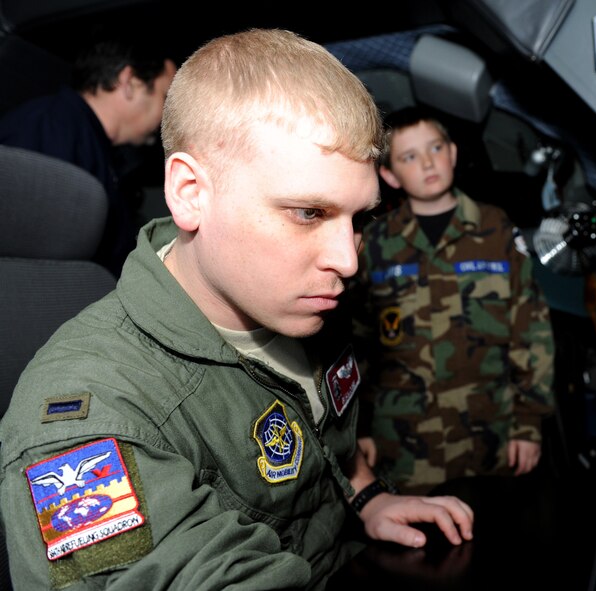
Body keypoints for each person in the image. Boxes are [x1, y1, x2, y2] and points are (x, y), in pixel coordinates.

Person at [0, 29, 473, 590]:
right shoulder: (91, 424)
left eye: (359, 219)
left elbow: (329, 438)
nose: (347, 260)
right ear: (191, 193)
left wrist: (366, 496)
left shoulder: (303, 304)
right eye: (307, 213)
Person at [350, 106, 556, 495]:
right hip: (404, 443)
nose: (427, 163)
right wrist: (359, 432)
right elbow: (357, 344)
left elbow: (530, 327)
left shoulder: (495, 228)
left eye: (435, 148)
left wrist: (529, 423)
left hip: (493, 435)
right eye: (409, 156)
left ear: (453, 153)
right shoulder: (375, 244)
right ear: (389, 175)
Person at [0, 35, 177, 276]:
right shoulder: (47, 129)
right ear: (129, 82)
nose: (168, 115)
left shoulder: (94, 146)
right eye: (165, 97)